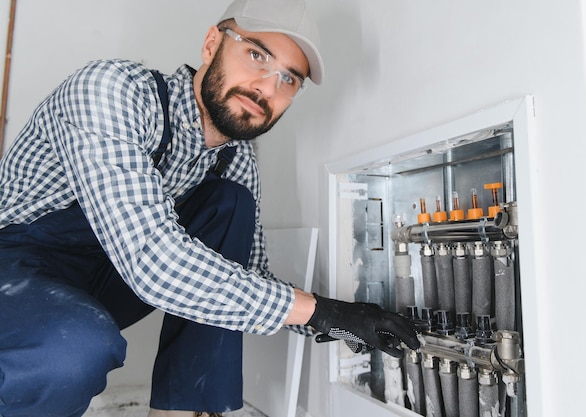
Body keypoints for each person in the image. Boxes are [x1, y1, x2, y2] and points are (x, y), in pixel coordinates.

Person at [0, 0, 420, 416]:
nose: (267, 88)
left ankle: (180, 412)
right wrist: (322, 312)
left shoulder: (236, 158)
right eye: (257, 55)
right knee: (73, 350)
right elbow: (151, 257)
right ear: (211, 44)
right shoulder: (112, 90)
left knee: (228, 202)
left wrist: (336, 319)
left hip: (106, 279)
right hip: (18, 273)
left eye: (289, 79)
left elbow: (251, 278)